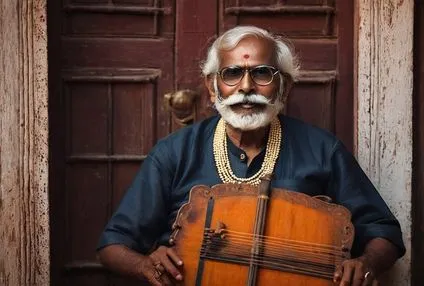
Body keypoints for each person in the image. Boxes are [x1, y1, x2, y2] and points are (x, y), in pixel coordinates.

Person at [97, 25, 405, 286]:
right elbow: (112, 246)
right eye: (232, 73)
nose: (246, 86)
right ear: (212, 86)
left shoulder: (323, 150)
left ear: (283, 87)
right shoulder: (174, 153)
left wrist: (366, 263)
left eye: (262, 73)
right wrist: (145, 265)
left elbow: (384, 231)